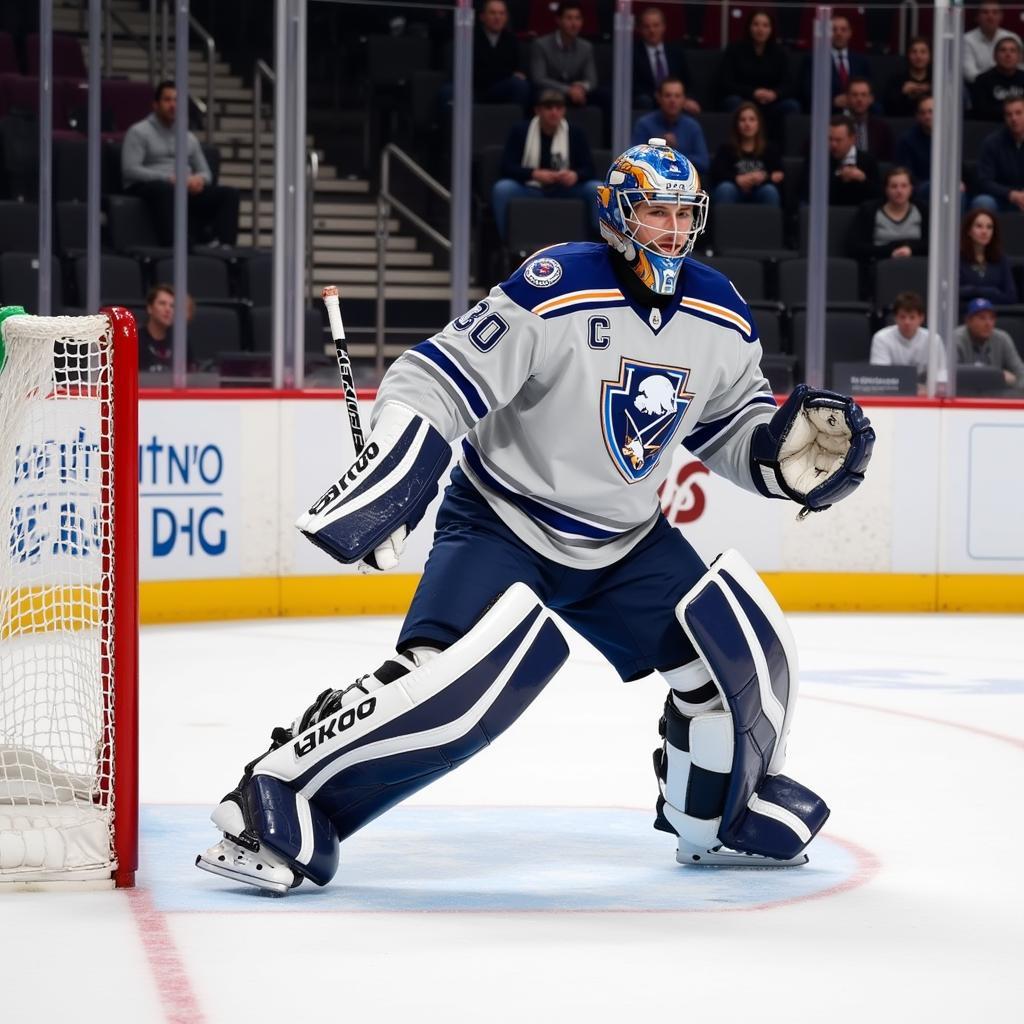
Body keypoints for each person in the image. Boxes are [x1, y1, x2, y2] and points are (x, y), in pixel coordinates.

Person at [195, 137, 874, 894]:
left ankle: (714, 819)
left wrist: (781, 458)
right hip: (500, 520)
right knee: (446, 684)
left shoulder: (721, 311)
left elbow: (729, 426)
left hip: (626, 542)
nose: (674, 232)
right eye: (656, 212)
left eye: (685, 215)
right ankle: (276, 796)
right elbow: (438, 377)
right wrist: (396, 476)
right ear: (619, 215)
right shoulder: (555, 284)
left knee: (736, 656)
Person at [121, 80, 239, 247]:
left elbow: (207, 173)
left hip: (182, 185)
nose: (173, 105)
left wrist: (197, 180)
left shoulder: (188, 137)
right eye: (167, 100)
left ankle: (225, 246)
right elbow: (130, 170)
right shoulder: (138, 132)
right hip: (149, 186)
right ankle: (178, 244)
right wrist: (169, 179)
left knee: (230, 193)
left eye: (176, 100)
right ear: (155, 105)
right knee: (168, 190)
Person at [492, 90, 601, 241]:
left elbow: (589, 169)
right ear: (538, 110)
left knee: (595, 188)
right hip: (530, 188)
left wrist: (575, 175)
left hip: (565, 189)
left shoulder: (575, 133)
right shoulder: (520, 131)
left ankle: (600, 241)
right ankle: (506, 241)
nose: (554, 112)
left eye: (559, 108)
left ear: (564, 111)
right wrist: (534, 174)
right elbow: (507, 166)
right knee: (503, 188)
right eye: (549, 108)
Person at [713, 9, 799, 132]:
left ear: (771, 29)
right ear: (749, 27)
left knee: (791, 106)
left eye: (765, 25)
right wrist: (753, 92)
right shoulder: (735, 49)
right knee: (733, 102)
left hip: (771, 102)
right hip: (744, 99)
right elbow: (725, 82)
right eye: (756, 24)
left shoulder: (780, 52)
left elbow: (789, 84)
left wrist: (775, 94)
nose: (760, 29)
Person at [869, 291, 947, 393]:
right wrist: (910, 389)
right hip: (891, 395)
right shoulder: (881, 338)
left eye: (912, 317)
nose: (907, 322)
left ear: (921, 318)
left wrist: (930, 390)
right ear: (895, 318)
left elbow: (941, 375)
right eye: (902, 317)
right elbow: (879, 377)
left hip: (925, 396)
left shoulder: (934, 340)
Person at [847, 166, 927, 263]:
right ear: (886, 189)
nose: (899, 191)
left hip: (915, 267)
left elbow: (932, 243)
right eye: (894, 186)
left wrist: (911, 249)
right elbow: (855, 246)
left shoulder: (922, 210)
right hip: (879, 268)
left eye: (904, 186)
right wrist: (889, 251)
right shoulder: (869, 210)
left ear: (911, 189)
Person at [631, 77, 709, 177]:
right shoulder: (644, 124)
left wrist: (674, 154)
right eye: (668, 96)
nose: (672, 100)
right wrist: (657, 150)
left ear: (684, 99)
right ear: (658, 97)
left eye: (677, 96)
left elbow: (703, 163)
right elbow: (634, 159)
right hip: (651, 183)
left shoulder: (692, 126)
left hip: (684, 183)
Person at [710, 101, 783, 206]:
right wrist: (737, 179)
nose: (747, 124)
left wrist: (764, 177)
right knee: (725, 189)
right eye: (742, 120)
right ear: (737, 124)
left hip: (760, 191)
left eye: (752, 119)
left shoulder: (770, 149)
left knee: (770, 191)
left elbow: (778, 175)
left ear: (758, 123)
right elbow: (716, 173)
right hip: (735, 191)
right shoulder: (726, 149)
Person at [800, 115, 881, 206]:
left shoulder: (868, 161)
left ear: (853, 139)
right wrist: (838, 176)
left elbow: (877, 197)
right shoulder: (817, 158)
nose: (833, 144)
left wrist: (862, 179)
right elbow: (806, 191)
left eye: (838, 140)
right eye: (830, 139)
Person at [530, 1, 599, 107]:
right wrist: (568, 90)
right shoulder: (541, 45)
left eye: (578, 18)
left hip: (578, 93)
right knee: (543, 96)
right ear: (558, 20)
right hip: (552, 92)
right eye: (569, 18)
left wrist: (581, 88)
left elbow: (592, 80)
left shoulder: (586, 47)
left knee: (604, 96)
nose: (574, 23)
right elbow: (539, 79)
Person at [632, 5, 698, 114]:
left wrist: (687, 98)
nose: (652, 30)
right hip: (649, 100)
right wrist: (660, 97)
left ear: (664, 27)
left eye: (656, 25)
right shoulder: (633, 53)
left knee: (689, 106)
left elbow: (687, 82)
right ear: (639, 29)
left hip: (674, 99)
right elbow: (632, 87)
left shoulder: (676, 52)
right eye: (646, 27)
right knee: (643, 100)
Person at [801, 14, 871, 113]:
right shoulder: (815, 59)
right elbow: (807, 90)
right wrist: (832, 101)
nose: (838, 33)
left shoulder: (861, 60)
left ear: (850, 33)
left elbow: (869, 86)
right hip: (827, 109)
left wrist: (854, 99)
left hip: (857, 108)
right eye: (834, 30)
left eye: (843, 30)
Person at [473, 0, 531, 107]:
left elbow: (519, 70)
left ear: (506, 18)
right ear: (482, 17)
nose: (497, 17)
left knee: (520, 85)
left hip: (501, 88)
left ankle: (514, 122)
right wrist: (507, 73)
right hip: (475, 88)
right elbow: (477, 71)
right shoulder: (472, 38)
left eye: (501, 13)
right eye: (493, 13)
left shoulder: (511, 39)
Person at [955, 297, 1024, 386]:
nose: (988, 324)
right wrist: (999, 376)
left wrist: (1016, 384)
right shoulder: (956, 339)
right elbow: (951, 376)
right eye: (982, 318)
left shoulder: (1002, 338)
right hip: (965, 395)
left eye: (991, 318)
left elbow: (1021, 373)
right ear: (968, 321)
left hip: (996, 395)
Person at [959, 208, 1018, 309]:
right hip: (965, 314)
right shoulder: (958, 259)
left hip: (995, 314)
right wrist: (991, 292)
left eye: (989, 227)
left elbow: (1011, 297)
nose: (984, 231)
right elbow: (956, 293)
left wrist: (973, 292)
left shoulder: (1001, 259)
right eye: (979, 226)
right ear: (969, 231)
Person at [973, 95, 1024, 212]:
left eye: (1018, 113)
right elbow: (984, 181)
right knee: (982, 202)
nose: (1014, 118)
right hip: (1002, 198)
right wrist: (1011, 194)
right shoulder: (992, 143)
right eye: (1009, 114)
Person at [137, 283, 195, 373]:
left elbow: (191, 374)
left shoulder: (180, 340)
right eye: (162, 303)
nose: (168, 309)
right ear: (150, 308)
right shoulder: (134, 339)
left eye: (172, 306)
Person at [963, 1, 1022, 85]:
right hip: (980, 87)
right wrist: (994, 85)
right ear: (977, 17)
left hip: (1012, 86)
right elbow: (969, 73)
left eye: (995, 12)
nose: (990, 16)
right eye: (985, 12)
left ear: (1001, 16)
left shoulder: (1013, 38)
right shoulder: (966, 40)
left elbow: (1021, 67)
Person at [971, 36, 1024, 120]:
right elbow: (981, 111)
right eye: (1003, 50)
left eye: (1013, 51)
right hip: (991, 127)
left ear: (1019, 57)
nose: (1008, 55)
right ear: (994, 56)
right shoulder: (982, 80)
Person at [844, 78, 894, 160]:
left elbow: (889, 161)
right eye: (855, 95)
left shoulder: (882, 128)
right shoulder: (838, 127)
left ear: (871, 99)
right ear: (847, 98)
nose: (859, 99)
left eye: (863, 95)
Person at [884, 36, 932, 117]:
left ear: (930, 56)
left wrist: (931, 90)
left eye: (923, 52)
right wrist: (902, 92)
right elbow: (888, 109)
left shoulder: (936, 80)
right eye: (914, 52)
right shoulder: (897, 80)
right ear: (908, 55)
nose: (918, 56)